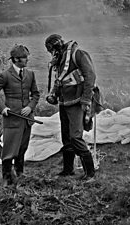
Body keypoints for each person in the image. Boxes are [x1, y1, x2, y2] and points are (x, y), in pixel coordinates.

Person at [45, 34, 96, 182]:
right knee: (66, 138)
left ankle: (90, 173)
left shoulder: (78, 55)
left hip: (77, 102)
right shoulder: (59, 60)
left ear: (56, 47)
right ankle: (68, 170)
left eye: (51, 50)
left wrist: (86, 100)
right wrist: (54, 96)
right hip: (64, 102)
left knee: (75, 137)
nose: (51, 54)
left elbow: (90, 76)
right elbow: (61, 81)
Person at [0, 44, 40, 186]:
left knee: (22, 148)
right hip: (11, 119)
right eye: (25, 58)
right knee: (9, 150)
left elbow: (36, 94)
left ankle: (20, 175)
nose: (27, 61)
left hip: (27, 119)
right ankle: (7, 178)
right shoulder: (5, 75)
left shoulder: (30, 74)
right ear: (16, 59)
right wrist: (2, 108)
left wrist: (30, 107)